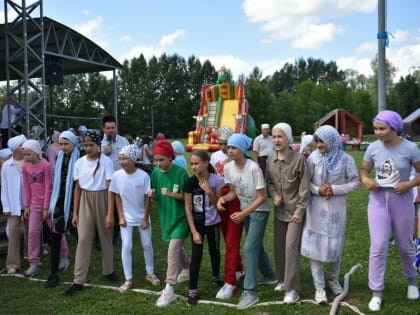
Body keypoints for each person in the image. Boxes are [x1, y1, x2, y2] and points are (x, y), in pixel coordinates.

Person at [360, 110, 420, 311]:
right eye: (375, 129)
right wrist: (367, 180)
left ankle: (412, 282)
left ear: (394, 128)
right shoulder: (373, 148)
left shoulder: (410, 148)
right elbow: (364, 171)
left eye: (382, 129)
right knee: (378, 246)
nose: (377, 133)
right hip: (378, 200)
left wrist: (409, 185)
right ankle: (376, 292)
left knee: (405, 244)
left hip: (402, 199)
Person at [300, 125, 360, 304]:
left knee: (334, 245)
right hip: (316, 208)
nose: (318, 145)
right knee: (315, 248)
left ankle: (333, 280)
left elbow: (356, 182)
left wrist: (334, 189)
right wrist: (318, 190)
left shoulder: (345, 159)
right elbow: (306, 183)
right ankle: (319, 286)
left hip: (336, 208)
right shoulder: (313, 158)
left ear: (332, 140)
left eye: (322, 141)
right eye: (317, 141)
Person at [217, 133, 275, 309]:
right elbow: (235, 192)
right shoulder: (228, 168)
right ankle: (270, 275)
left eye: (233, 147)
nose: (229, 150)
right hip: (246, 211)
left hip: (259, 211)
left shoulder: (253, 168)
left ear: (242, 150)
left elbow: (262, 197)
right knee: (255, 245)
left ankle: (250, 292)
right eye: (228, 147)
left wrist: (244, 213)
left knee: (249, 247)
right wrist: (223, 199)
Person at [65, 130, 118, 296]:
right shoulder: (80, 162)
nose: (88, 148)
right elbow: (77, 188)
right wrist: (75, 212)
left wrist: (110, 212)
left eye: (91, 145)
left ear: (98, 145)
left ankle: (108, 270)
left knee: (105, 236)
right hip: (85, 200)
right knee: (83, 239)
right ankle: (78, 280)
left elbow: (110, 188)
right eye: (85, 145)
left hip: (102, 196)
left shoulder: (106, 162)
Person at [265, 123, 311, 303]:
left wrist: (300, 210)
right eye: (274, 137)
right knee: (279, 247)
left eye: (280, 136)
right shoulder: (270, 159)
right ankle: (282, 279)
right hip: (279, 212)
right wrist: (274, 195)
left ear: (288, 138)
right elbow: (268, 182)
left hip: (295, 213)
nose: (276, 140)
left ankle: (292, 289)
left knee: (291, 247)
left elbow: (305, 188)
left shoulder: (299, 159)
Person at [109, 144, 160, 293]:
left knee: (146, 244)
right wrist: (121, 217)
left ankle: (150, 273)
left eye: (125, 158)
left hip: (142, 216)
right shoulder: (117, 176)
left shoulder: (143, 176)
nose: (121, 162)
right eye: (120, 159)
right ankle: (128, 278)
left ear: (133, 159)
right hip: (126, 218)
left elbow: (147, 199)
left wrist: (145, 219)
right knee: (127, 246)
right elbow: (117, 196)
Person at [148, 140, 190, 307]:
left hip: (181, 218)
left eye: (162, 160)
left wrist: (173, 194)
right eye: (156, 160)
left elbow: (188, 198)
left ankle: (169, 288)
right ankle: (187, 268)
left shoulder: (181, 173)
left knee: (172, 251)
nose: (158, 163)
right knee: (175, 248)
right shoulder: (156, 173)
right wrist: (152, 196)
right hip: (166, 218)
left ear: (170, 158)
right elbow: (156, 197)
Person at [184, 150, 225, 305]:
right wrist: (194, 231)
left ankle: (216, 277)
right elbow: (188, 208)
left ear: (206, 163)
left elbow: (219, 205)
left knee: (214, 251)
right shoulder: (190, 183)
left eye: (196, 163)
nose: (194, 167)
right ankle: (192, 290)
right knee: (196, 256)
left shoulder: (216, 180)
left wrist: (209, 192)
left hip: (213, 223)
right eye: (192, 164)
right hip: (198, 225)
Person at [210, 126, 245, 299]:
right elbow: (212, 177)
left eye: (228, 144)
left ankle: (230, 281)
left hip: (236, 201)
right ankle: (238, 269)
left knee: (232, 242)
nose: (225, 148)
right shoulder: (215, 156)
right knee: (228, 239)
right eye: (222, 143)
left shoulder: (241, 159)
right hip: (221, 199)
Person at [44, 130, 80, 288]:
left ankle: (79, 274)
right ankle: (53, 273)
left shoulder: (80, 159)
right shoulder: (59, 158)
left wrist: (75, 208)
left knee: (80, 239)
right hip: (60, 201)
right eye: (61, 144)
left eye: (66, 144)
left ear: (74, 143)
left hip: (76, 203)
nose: (63, 147)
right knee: (56, 236)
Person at [21, 139, 55, 277]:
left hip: (47, 203)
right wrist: (27, 206)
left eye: (28, 154)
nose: (26, 157)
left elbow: (48, 188)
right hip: (34, 205)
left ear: (36, 152)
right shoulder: (25, 167)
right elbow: (26, 187)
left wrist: (46, 207)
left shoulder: (46, 166)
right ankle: (33, 262)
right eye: (24, 154)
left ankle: (63, 256)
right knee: (32, 233)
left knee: (55, 229)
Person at [101, 115, 129, 245]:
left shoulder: (124, 142)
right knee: (105, 208)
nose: (111, 130)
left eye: (113, 127)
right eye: (108, 128)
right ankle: (102, 235)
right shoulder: (99, 143)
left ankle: (116, 235)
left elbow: (130, 160)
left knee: (119, 209)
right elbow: (93, 162)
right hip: (104, 182)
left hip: (121, 181)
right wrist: (103, 153)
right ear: (104, 129)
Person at [1, 135, 26, 274]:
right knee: (13, 232)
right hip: (13, 205)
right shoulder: (6, 166)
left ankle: (31, 257)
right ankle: (12, 263)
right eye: (23, 146)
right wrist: (6, 206)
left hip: (28, 204)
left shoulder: (29, 162)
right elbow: (4, 188)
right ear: (17, 149)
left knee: (31, 232)